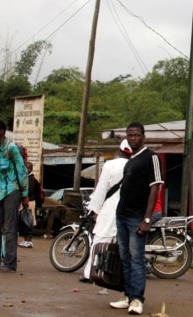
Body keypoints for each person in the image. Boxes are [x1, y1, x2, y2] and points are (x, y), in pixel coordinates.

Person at [109, 123, 163, 315]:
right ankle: (127, 295)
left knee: (136, 259)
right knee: (124, 258)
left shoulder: (151, 157)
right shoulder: (130, 160)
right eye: (130, 135)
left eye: (136, 135)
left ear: (143, 137)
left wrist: (147, 219)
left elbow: (155, 188)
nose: (133, 138)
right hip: (122, 215)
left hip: (137, 218)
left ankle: (138, 300)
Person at [80, 139, 132, 283]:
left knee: (100, 239)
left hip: (110, 208)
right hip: (129, 210)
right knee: (123, 243)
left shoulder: (110, 165)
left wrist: (95, 209)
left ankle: (89, 272)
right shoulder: (137, 166)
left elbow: (101, 189)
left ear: (119, 150)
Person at [0, 121, 29, 273]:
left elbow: (22, 170)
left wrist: (25, 195)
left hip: (12, 191)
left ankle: (10, 264)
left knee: (9, 229)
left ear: (2, 131)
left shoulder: (11, 147)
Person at [19, 162, 43, 248]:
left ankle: (28, 241)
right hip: (28, 202)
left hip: (30, 202)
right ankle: (25, 240)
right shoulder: (28, 178)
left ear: (31, 169)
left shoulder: (31, 179)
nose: (26, 170)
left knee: (28, 221)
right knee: (24, 221)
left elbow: (28, 191)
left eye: (28, 168)